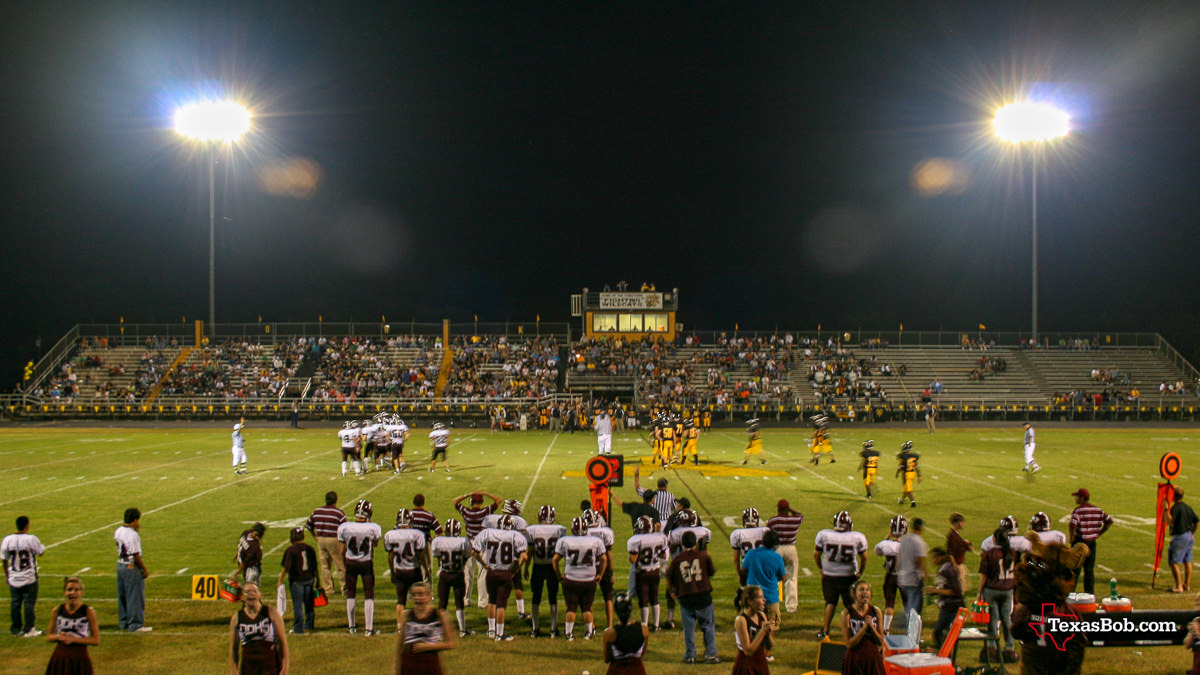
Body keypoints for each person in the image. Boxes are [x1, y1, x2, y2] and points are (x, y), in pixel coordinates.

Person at [666, 530, 720, 664]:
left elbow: (669, 577)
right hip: (703, 594)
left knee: (689, 628)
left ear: (682, 544)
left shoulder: (677, 560)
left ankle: (690, 654)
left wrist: (673, 592)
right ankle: (710, 654)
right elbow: (711, 572)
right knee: (707, 625)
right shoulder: (703, 556)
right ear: (695, 543)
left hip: (686, 595)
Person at [473, 514, 528, 641]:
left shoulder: (487, 533)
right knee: (501, 604)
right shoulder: (516, 536)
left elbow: (474, 552)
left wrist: (483, 564)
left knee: (492, 601)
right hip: (505, 573)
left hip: (491, 572)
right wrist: (517, 567)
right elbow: (524, 556)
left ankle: (491, 630)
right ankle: (500, 634)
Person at [815, 511, 868, 640]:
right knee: (851, 604)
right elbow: (864, 557)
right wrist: (860, 571)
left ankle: (825, 631)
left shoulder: (824, 535)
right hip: (848, 575)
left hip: (830, 574)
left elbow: (816, 554)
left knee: (830, 602)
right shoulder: (857, 537)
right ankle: (855, 629)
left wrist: (821, 568)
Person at [553, 516, 607, 641]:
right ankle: (588, 632)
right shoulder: (595, 541)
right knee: (587, 607)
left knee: (571, 607)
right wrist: (600, 573)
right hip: (589, 579)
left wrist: (558, 574)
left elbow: (555, 560)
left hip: (571, 578)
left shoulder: (565, 540)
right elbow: (604, 559)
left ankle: (568, 633)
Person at [338, 500, 382, 635]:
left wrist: (344, 564)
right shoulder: (373, 527)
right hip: (366, 563)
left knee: (351, 593)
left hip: (351, 562)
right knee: (369, 594)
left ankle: (351, 626)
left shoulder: (345, 526)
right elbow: (375, 544)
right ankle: (369, 629)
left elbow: (341, 549)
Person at [395, 581, 456, 675]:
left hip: (430, 662)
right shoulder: (406, 615)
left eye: (420, 594)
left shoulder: (439, 615)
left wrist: (429, 647)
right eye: (414, 595)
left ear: (430, 595)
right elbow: (400, 645)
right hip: (409, 662)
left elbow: (451, 643)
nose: (417, 598)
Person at [228, 582, 289, 675]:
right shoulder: (237, 618)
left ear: (259, 595)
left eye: (255, 591)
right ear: (242, 597)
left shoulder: (272, 613)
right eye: (247, 592)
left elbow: (283, 644)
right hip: (249, 668)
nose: (252, 594)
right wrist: (234, 672)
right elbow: (233, 650)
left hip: (270, 666)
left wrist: (284, 671)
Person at [454, 490, 502, 609]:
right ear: (481, 502)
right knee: (482, 573)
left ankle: (466, 599)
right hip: (482, 544)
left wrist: (467, 494)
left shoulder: (466, 511)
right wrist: (486, 493)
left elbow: (455, 501)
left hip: (469, 543)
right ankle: (482, 601)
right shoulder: (485, 512)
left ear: (471, 502)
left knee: (467, 573)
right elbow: (499, 500)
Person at [526, 506, 567, 637]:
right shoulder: (560, 530)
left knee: (536, 598)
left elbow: (531, 551)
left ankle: (535, 628)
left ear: (539, 517)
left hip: (538, 566)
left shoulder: (532, 530)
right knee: (553, 598)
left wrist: (526, 567)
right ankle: (553, 629)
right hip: (552, 568)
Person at [44, 576, 99, 675]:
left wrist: (72, 639)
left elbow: (96, 640)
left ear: (82, 593)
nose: (72, 593)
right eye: (69, 589)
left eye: (76, 590)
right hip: (60, 656)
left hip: (79, 656)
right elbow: (49, 636)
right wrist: (59, 637)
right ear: (64, 592)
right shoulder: (57, 610)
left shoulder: (88, 612)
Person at [977, 528, 1017, 663]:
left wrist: (979, 592)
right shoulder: (1012, 552)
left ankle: (992, 648)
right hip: (1007, 589)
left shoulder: (989, 553)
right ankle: (1010, 648)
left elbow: (984, 575)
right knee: (1007, 619)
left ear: (995, 539)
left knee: (993, 620)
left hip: (992, 590)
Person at [742, 530, 786, 651]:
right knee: (770, 626)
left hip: (753, 597)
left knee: (751, 624)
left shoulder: (751, 553)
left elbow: (743, 568)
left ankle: (753, 648)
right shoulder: (777, 557)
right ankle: (767, 653)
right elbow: (783, 576)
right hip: (771, 596)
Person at [385, 509, 429, 626]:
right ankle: (420, 622)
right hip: (414, 570)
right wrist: (426, 568)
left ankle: (400, 626)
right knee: (420, 599)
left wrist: (392, 571)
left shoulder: (390, 535)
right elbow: (420, 555)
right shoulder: (417, 534)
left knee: (400, 601)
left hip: (400, 570)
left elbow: (390, 557)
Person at [3, 515, 45, 637]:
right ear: (27, 525)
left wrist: (7, 575)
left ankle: (16, 628)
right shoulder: (31, 539)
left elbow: (4, 560)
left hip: (14, 577)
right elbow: (41, 552)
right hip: (29, 577)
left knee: (15, 603)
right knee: (29, 604)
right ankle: (29, 628)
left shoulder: (7, 540)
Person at [430, 519, 472, 637]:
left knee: (442, 603)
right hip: (458, 574)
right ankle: (463, 630)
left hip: (444, 574)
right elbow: (466, 556)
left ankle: (438, 630)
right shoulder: (463, 541)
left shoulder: (439, 541)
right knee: (459, 603)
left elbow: (438, 557)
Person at [1068, 487, 1113, 595]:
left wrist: (1072, 537)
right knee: (1089, 570)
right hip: (1092, 542)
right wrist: (1099, 533)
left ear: (1082, 498)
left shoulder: (1078, 510)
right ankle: (1090, 594)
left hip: (1080, 542)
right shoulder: (1097, 510)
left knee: (1075, 570)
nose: (1075, 499)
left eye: (1077, 496)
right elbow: (1109, 521)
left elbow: (1072, 524)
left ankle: (1070, 593)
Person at [626, 516, 668, 631]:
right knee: (654, 598)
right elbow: (664, 555)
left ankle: (644, 624)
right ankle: (656, 625)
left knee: (643, 600)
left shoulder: (635, 540)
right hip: (655, 571)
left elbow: (633, 559)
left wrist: (636, 557)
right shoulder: (660, 538)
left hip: (642, 572)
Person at [114, 507, 151, 632]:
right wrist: (144, 569)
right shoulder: (133, 535)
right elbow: (136, 555)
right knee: (135, 597)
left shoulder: (118, 530)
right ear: (134, 520)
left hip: (121, 565)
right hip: (131, 567)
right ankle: (136, 624)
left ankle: (124, 622)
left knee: (123, 596)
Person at [840, 579, 886, 675]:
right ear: (854, 593)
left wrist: (871, 627)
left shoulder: (876, 611)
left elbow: (880, 641)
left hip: (873, 658)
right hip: (855, 659)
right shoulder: (847, 613)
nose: (865, 592)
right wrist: (864, 628)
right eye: (861, 590)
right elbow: (849, 644)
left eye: (867, 590)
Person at [277, 527, 317, 634]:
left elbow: (286, 567)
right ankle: (309, 624)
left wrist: (280, 580)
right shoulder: (309, 548)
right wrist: (318, 580)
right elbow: (315, 566)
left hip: (297, 581)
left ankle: (298, 628)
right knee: (309, 604)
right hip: (309, 579)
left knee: (298, 605)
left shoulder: (291, 550)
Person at [767, 500, 804, 614]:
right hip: (790, 548)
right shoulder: (795, 520)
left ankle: (775, 602)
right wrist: (790, 509)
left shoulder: (774, 520)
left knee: (774, 577)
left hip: (777, 549)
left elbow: (768, 532)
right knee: (791, 578)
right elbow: (800, 515)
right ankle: (791, 607)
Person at [307, 491, 347, 597]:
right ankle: (344, 587)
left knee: (325, 565)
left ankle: (328, 588)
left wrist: (315, 536)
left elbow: (308, 525)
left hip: (321, 539)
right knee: (340, 564)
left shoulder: (317, 511)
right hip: (334, 539)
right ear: (336, 500)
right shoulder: (339, 513)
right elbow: (345, 529)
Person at [925, 547, 964, 649]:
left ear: (941, 557)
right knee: (940, 632)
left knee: (940, 632)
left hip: (952, 607)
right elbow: (945, 587)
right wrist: (934, 590)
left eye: (935, 558)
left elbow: (955, 591)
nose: (933, 561)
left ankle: (944, 654)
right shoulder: (945, 568)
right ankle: (943, 653)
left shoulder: (947, 570)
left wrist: (936, 591)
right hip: (947, 606)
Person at [732, 585, 775, 675]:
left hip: (761, 662)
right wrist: (762, 631)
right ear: (750, 601)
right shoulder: (741, 620)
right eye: (760, 597)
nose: (764, 600)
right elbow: (748, 651)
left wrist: (768, 633)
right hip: (746, 665)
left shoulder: (762, 615)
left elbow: (769, 646)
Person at [602, 592, 649, 675]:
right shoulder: (644, 629)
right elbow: (642, 653)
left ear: (615, 610)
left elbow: (607, 659)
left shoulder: (609, 633)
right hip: (638, 671)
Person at [873, 515, 905, 633]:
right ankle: (911, 631)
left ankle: (886, 629)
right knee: (908, 605)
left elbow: (878, 552)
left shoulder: (885, 544)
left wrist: (887, 537)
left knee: (889, 604)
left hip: (891, 576)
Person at [1168, 487, 1199, 593]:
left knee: (1173, 561)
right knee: (1187, 561)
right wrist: (1193, 533)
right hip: (1189, 536)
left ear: (1174, 496)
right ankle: (1186, 584)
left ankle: (1178, 586)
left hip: (1180, 536)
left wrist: (1165, 509)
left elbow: (1169, 521)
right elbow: (1197, 521)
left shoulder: (1175, 508)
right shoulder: (1188, 507)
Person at [896, 517, 927, 620]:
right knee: (914, 606)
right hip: (913, 578)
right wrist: (926, 577)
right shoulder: (919, 542)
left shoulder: (904, 539)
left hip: (903, 577)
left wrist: (898, 575)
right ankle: (904, 624)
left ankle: (906, 623)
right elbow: (920, 562)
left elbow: (898, 559)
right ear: (921, 528)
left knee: (909, 602)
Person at [731, 508, 769, 586]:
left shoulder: (737, 534)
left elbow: (736, 559)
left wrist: (739, 574)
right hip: (762, 566)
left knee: (749, 593)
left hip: (747, 568)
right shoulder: (764, 531)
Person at [895, 441, 920, 508]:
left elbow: (900, 466)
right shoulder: (914, 456)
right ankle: (902, 500)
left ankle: (913, 502)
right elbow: (917, 466)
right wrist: (919, 475)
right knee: (906, 487)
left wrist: (897, 473)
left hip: (907, 474)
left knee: (908, 489)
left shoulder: (903, 456)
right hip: (912, 473)